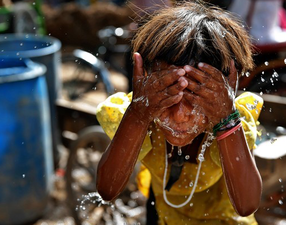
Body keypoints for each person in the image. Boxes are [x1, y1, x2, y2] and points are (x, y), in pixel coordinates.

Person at [96, 2, 263, 224]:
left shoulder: (229, 117)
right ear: (148, 83)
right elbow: (107, 189)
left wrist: (226, 118)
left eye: (195, 99)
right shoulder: (143, 109)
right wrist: (138, 115)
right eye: (168, 96)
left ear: (224, 93)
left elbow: (247, 204)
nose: (180, 116)